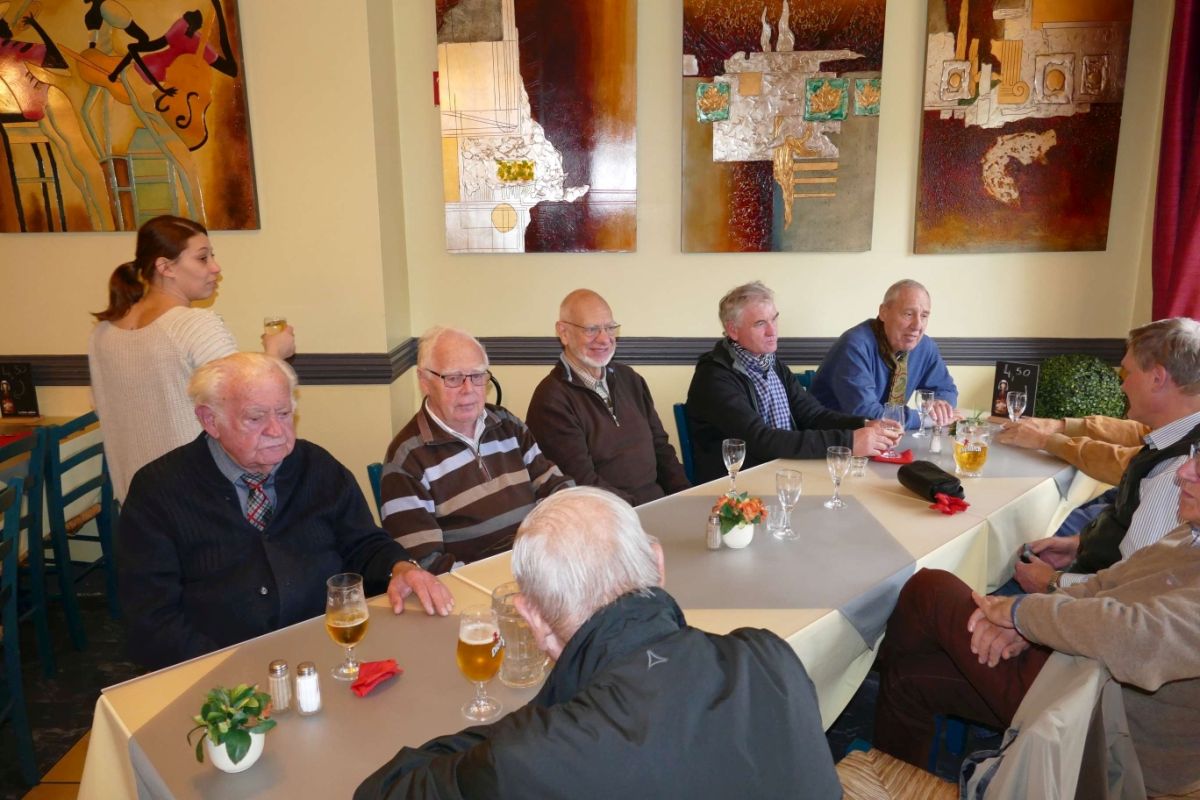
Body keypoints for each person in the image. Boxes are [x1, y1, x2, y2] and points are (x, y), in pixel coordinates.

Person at [356, 487, 842, 799]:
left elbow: (383, 789)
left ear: (532, 619)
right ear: (657, 565)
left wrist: (528, 727)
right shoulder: (770, 655)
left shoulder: (533, 757)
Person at [873, 448, 1200, 797]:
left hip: (1109, 730)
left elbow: (1137, 639)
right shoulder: (1188, 536)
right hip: (1086, 679)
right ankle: (890, 785)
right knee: (908, 679)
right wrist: (1027, 625)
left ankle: (859, 677)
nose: (1183, 472)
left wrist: (1021, 615)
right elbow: (1103, 585)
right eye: (1194, 457)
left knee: (930, 588)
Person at [117, 353, 450, 671]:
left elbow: (363, 544)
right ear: (210, 420)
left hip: (329, 653)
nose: (277, 431)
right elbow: (150, 620)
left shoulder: (318, 467)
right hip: (218, 674)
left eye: (284, 413)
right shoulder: (159, 491)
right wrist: (228, 677)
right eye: (256, 418)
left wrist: (401, 568)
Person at [88, 215, 295, 501]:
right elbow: (248, 403)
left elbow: (100, 408)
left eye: (212, 256)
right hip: (199, 499)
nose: (215, 267)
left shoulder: (103, 333)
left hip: (136, 500)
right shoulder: (194, 325)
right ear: (165, 267)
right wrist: (276, 353)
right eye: (202, 258)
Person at [1003, 318, 1200, 593]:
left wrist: (1052, 582)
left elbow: (1133, 586)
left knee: (992, 574)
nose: (1122, 385)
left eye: (1128, 373)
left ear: (1157, 378)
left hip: (1089, 600)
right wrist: (1079, 544)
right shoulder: (1178, 434)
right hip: (1093, 570)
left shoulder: (1177, 472)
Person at [380, 327, 572, 572]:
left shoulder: (507, 424)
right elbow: (425, 563)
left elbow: (553, 486)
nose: (468, 389)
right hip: (475, 585)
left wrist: (559, 535)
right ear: (425, 381)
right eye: (453, 378)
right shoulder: (406, 460)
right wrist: (498, 578)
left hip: (538, 564)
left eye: (477, 376)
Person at [685, 281, 899, 482]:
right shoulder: (713, 377)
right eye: (760, 324)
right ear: (733, 330)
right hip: (737, 486)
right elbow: (761, 440)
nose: (772, 331)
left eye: (774, 319)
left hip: (785, 472)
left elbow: (813, 415)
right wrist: (849, 442)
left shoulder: (772, 364)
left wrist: (863, 424)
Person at [525, 289, 690, 505]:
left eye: (610, 328)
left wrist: (686, 497)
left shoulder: (630, 379)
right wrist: (640, 512)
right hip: (609, 516)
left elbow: (662, 450)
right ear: (563, 332)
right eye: (591, 329)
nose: (604, 339)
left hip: (656, 507)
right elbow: (582, 484)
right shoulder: (551, 400)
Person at [811, 279, 957, 430]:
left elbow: (947, 389)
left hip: (883, 438)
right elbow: (866, 414)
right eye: (908, 314)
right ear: (883, 312)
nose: (917, 325)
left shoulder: (924, 347)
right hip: (833, 438)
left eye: (924, 316)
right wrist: (924, 418)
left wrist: (940, 406)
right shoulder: (855, 346)